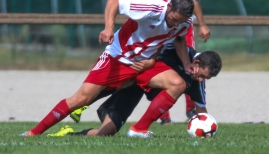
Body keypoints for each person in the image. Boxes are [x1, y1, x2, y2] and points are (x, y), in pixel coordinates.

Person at [20, 0, 196, 136]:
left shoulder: (183, 23)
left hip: (143, 65)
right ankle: (34, 133)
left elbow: (178, 38)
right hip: (118, 58)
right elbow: (114, 1)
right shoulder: (152, 9)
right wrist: (109, 28)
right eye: (174, 18)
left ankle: (139, 130)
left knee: (178, 84)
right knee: (81, 99)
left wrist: (185, 63)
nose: (176, 23)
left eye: (180, 21)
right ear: (170, 7)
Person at [47, 49, 222, 137]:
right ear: (196, 62)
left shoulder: (196, 83)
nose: (200, 80)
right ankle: (81, 108)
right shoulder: (175, 50)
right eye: (200, 75)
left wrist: (206, 129)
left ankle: (70, 134)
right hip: (128, 75)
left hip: (134, 91)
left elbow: (201, 110)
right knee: (84, 98)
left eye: (205, 79)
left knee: (107, 132)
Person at [136, 0, 211, 125]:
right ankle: (164, 116)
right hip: (158, 33)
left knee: (191, 66)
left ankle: (192, 110)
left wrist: (202, 24)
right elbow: (142, 11)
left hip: (183, 31)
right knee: (161, 69)